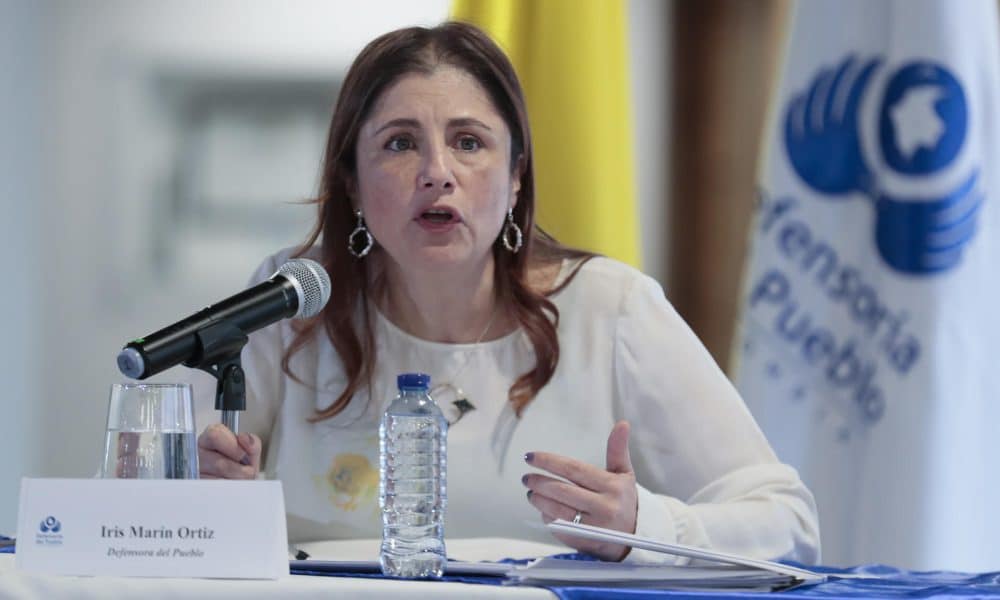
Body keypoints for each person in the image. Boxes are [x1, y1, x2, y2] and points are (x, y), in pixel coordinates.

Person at [194, 21, 820, 564]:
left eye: (469, 142)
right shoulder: (291, 306)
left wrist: (644, 527)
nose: (437, 171)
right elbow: (170, 512)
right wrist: (210, 502)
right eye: (400, 143)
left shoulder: (610, 309)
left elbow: (787, 523)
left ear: (516, 177)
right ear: (352, 183)